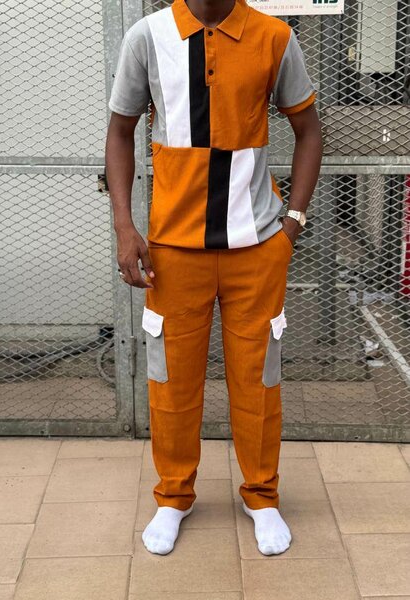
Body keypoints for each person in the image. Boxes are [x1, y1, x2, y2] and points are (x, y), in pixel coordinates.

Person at [105, 0, 323, 557]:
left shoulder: (274, 37)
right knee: (171, 382)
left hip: (257, 246)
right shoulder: (147, 36)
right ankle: (173, 496)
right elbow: (120, 131)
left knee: (259, 379)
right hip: (173, 251)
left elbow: (308, 130)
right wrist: (125, 226)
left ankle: (262, 496)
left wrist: (292, 225)